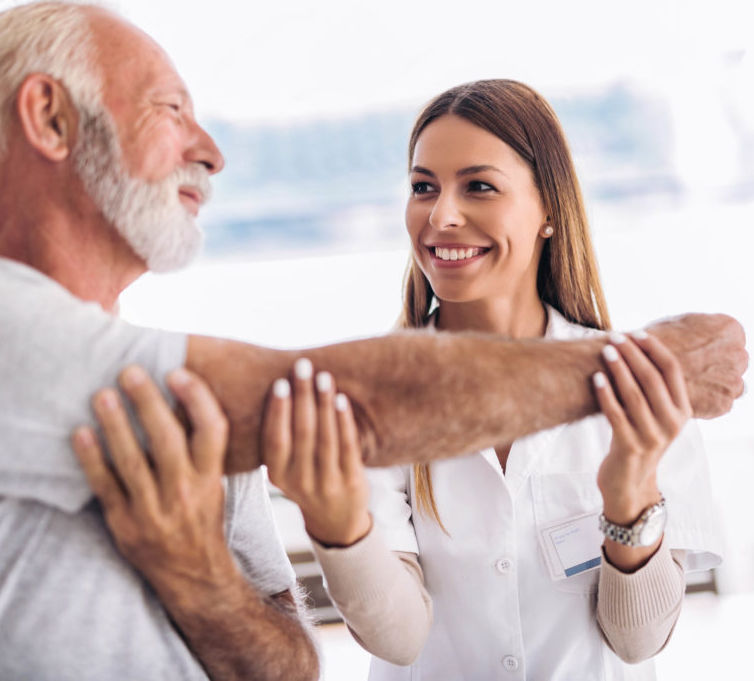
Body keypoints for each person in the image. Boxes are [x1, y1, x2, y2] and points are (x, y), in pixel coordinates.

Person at [0, 1, 747, 678]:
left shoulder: (193, 398)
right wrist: (645, 368)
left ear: (549, 210)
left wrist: (195, 577)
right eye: (169, 108)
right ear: (50, 116)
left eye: (479, 186)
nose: (212, 150)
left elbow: (292, 666)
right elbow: (357, 402)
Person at [264, 80, 722, 680]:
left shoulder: (643, 388)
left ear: (549, 212)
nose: (441, 216)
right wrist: (336, 524)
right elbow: (397, 638)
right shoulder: (373, 394)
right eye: (423, 187)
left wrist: (629, 488)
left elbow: (637, 642)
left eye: (478, 186)